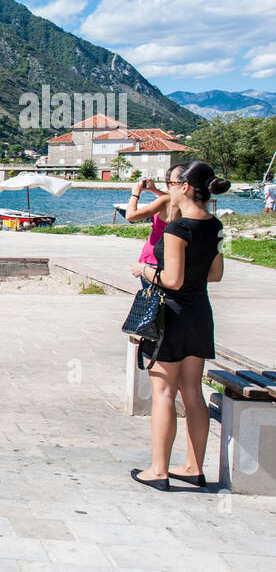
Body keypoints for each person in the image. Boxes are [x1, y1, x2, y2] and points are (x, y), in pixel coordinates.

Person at [128, 161, 230, 491]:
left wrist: (144, 270)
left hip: (171, 316)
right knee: (193, 393)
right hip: (200, 314)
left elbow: (172, 279)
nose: (168, 188)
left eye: (172, 183)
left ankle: (159, 470)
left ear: (185, 187)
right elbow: (215, 274)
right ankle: (193, 467)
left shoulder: (177, 229)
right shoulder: (214, 225)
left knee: (164, 393)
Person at [124, 167, 184, 270]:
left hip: (153, 258)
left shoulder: (166, 200)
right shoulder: (189, 203)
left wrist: (135, 194)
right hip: (173, 258)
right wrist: (154, 190)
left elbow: (131, 216)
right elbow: (171, 198)